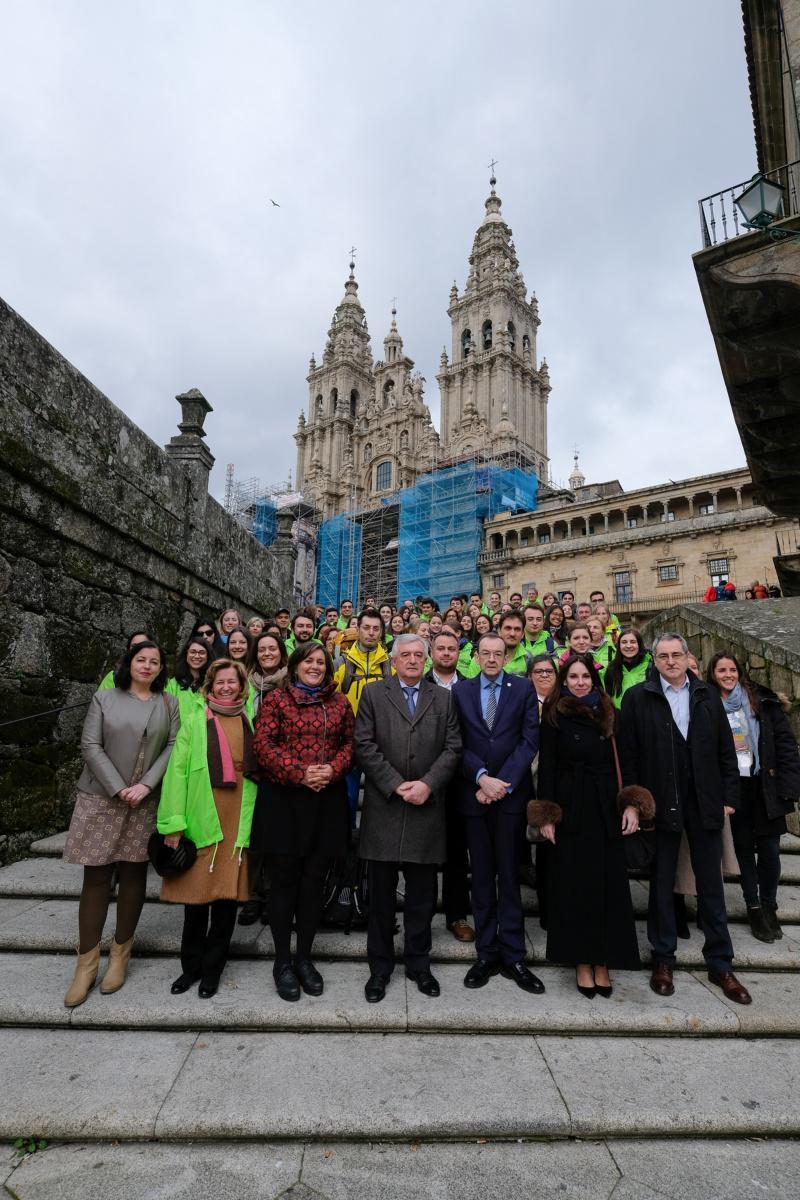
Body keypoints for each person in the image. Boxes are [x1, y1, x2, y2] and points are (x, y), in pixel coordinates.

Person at [618, 632, 752, 1005]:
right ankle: (663, 959)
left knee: (711, 886)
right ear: (655, 660)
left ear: (687, 657)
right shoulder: (637, 697)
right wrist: (632, 801)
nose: (671, 661)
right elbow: (627, 756)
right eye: (663, 656)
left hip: (704, 803)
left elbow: (727, 750)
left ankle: (720, 962)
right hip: (659, 804)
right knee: (661, 885)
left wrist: (728, 797)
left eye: (677, 655)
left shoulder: (707, 695)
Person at [63, 641, 179, 1007]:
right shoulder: (105, 698)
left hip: (144, 800)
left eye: (154, 662)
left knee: (133, 875)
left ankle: (120, 955)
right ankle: (86, 964)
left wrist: (146, 785)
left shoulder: (168, 703)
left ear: (162, 670)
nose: (147, 666)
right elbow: (90, 745)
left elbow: (173, 745)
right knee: (96, 877)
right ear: (128, 664)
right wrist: (118, 788)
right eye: (141, 660)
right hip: (102, 796)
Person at [354, 634, 462, 1002]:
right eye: (406, 655)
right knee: (381, 899)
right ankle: (379, 969)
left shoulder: (444, 698)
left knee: (422, 898)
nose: (413, 660)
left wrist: (428, 785)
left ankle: (419, 964)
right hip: (386, 807)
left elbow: (453, 747)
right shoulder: (372, 694)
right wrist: (396, 784)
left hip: (426, 810)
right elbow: (364, 744)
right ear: (394, 660)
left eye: (419, 655)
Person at [531, 656, 645, 997]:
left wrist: (632, 805)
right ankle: (582, 959)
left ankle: (604, 959)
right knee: (575, 886)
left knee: (608, 885)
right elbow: (547, 767)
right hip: (571, 808)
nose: (580, 682)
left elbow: (627, 761)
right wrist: (547, 815)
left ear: (593, 681)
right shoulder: (553, 716)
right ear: (564, 681)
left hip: (606, 806)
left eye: (585, 677)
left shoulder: (611, 712)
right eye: (573, 677)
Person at [252, 643, 354, 1000]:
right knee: (284, 883)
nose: (315, 667)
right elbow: (263, 746)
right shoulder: (277, 701)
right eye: (308, 661)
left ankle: (305, 958)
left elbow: (350, 744)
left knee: (313, 882)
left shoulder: (339, 703)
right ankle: (282, 961)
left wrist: (333, 769)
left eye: (321, 662)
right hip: (284, 801)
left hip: (325, 800)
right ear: (295, 666)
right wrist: (301, 772)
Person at [158, 659, 257, 999]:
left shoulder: (252, 720)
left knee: (227, 904)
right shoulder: (195, 722)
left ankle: (212, 970)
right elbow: (176, 774)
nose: (227, 687)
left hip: (238, 817)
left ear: (241, 685)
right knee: (196, 903)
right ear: (210, 686)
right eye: (221, 682)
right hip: (203, 815)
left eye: (233, 681)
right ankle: (190, 968)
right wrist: (173, 823)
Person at [451, 633, 543, 994]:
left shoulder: (522, 690)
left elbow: (528, 741)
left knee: (509, 873)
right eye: (485, 653)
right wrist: (481, 778)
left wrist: (501, 782)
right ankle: (486, 953)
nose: (491, 659)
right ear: (476, 656)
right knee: (484, 875)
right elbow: (455, 741)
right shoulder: (461, 692)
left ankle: (514, 954)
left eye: (498, 654)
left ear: (507, 657)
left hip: (510, 796)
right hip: (474, 795)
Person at [707, 652, 800, 942]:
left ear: (739, 671)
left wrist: (789, 785)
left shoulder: (761, 700)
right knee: (744, 850)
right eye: (721, 670)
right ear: (713, 674)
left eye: (731, 669)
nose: (727, 675)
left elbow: (785, 743)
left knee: (771, 849)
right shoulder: (708, 703)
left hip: (765, 784)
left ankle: (770, 904)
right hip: (734, 787)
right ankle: (754, 906)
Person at [236, 632, 289, 927]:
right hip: (249, 764)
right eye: (262, 649)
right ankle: (254, 895)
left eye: (273, 649)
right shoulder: (245, 683)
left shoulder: (289, 682)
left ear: (282, 653)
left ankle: (274, 894)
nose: (267, 653)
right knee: (252, 834)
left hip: (281, 768)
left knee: (277, 833)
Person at [425, 629, 475, 944]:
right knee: (426, 852)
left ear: (458, 653)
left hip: (460, 780)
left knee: (458, 852)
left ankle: (457, 915)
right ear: (432, 652)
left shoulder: (469, 688)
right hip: (426, 779)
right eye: (440, 648)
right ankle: (423, 917)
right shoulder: (420, 683)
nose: (446, 653)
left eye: (451, 649)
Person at [334, 608, 393, 826]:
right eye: (366, 628)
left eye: (376, 629)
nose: (371, 633)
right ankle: (347, 844)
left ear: (381, 632)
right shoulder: (341, 663)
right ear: (357, 629)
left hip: (381, 740)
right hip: (348, 739)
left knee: (380, 798)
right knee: (348, 797)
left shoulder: (390, 664)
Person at [603, 628, 651, 710]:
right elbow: (608, 696)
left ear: (639, 644)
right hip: (620, 717)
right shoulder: (612, 668)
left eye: (633, 642)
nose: (628, 646)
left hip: (645, 716)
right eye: (624, 642)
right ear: (619, 645)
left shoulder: (651, 666)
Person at [166, 637, 212, 720]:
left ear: (208, 656)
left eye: (202, 653)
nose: (197, 656)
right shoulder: (173, 684)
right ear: (186, 654)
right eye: (193, 652)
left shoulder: (212, 683)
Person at [497, 611, 530, 675]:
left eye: (517, 629)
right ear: (499, 631)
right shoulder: (483, 657)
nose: (512, 634)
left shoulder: (529, 658)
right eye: (508, 628)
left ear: (523, 634)